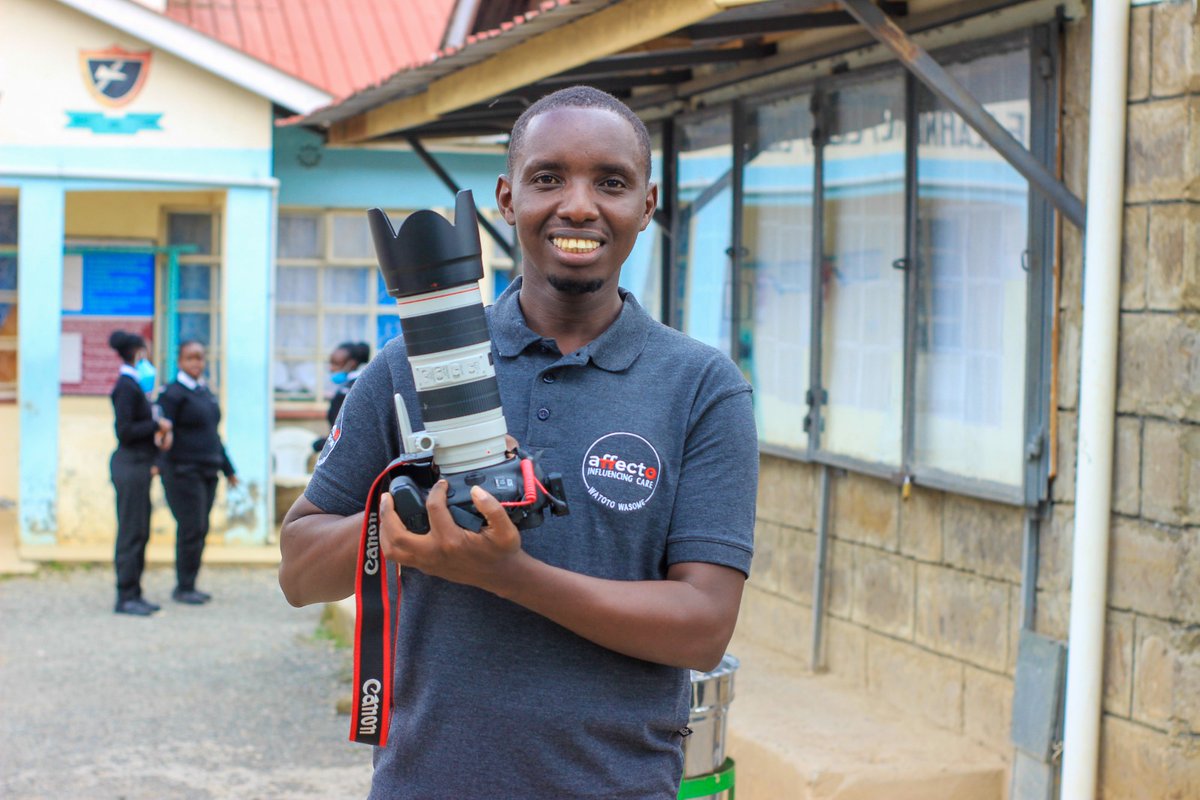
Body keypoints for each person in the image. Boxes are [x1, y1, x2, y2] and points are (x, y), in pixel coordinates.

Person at [278, 86, 758, 799]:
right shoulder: (412, 365)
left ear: (647, 206)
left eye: (612, 182)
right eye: (548, 177)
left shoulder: (700, 388)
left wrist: (507, 574)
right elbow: (300, 571)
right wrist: (411, 511)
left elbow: (702, 628)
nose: (578, 205)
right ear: (506, 197)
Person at [157, 340, 238, 604]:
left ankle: (190, 583)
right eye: (190, 358)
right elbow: (161, 433)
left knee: (201, 528)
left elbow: (212, 434)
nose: (196, 363)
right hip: (182, 471)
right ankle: (183, 586)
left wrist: (229, 469)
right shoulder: (172, 394)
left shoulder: (204, 392)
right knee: (191, 527)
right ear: (180, 361)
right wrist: (157, 463)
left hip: (208, 470)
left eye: (200, 358)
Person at [108, 330, 172, 617]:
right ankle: (126, 596)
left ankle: (135, 592)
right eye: (144, 353)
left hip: (139, 465)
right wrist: (157, 426)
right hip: (129, 465)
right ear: (137, 353)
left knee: (140, 531)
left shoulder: (134, 387)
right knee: (131, 532)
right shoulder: (125, 386)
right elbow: (124, 431)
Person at [313, 341, 371, 453]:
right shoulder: (362, 385)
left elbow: (345, 432)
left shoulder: (349, 391)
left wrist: (321, 444)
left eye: (336, 364)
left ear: (352, 364)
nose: (331, 369)